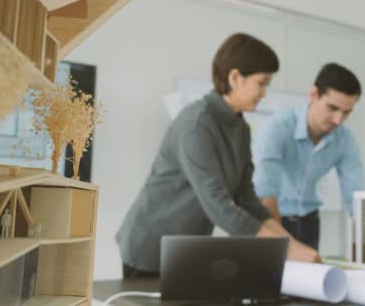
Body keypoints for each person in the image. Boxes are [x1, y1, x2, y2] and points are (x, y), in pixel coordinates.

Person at [116, 33, 320, 278]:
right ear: (235, 78)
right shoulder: (197, 125)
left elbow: (246, 199)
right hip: (149, 246)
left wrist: (291, 243)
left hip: (186, 250)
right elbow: (220, 207)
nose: (265, 92)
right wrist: (289, 250)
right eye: (262, 83)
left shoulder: (241, 127)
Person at [253, 63, 365, 249]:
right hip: (271, 218)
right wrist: (282, 245)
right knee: (271, 277)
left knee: (310, 277)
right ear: (314, 95)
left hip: (310, 222)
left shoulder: (345, 139)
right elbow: (266, 193)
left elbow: (356, 197)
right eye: (332, 108)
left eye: (346, 112)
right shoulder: (277, 127)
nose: (338, 120)